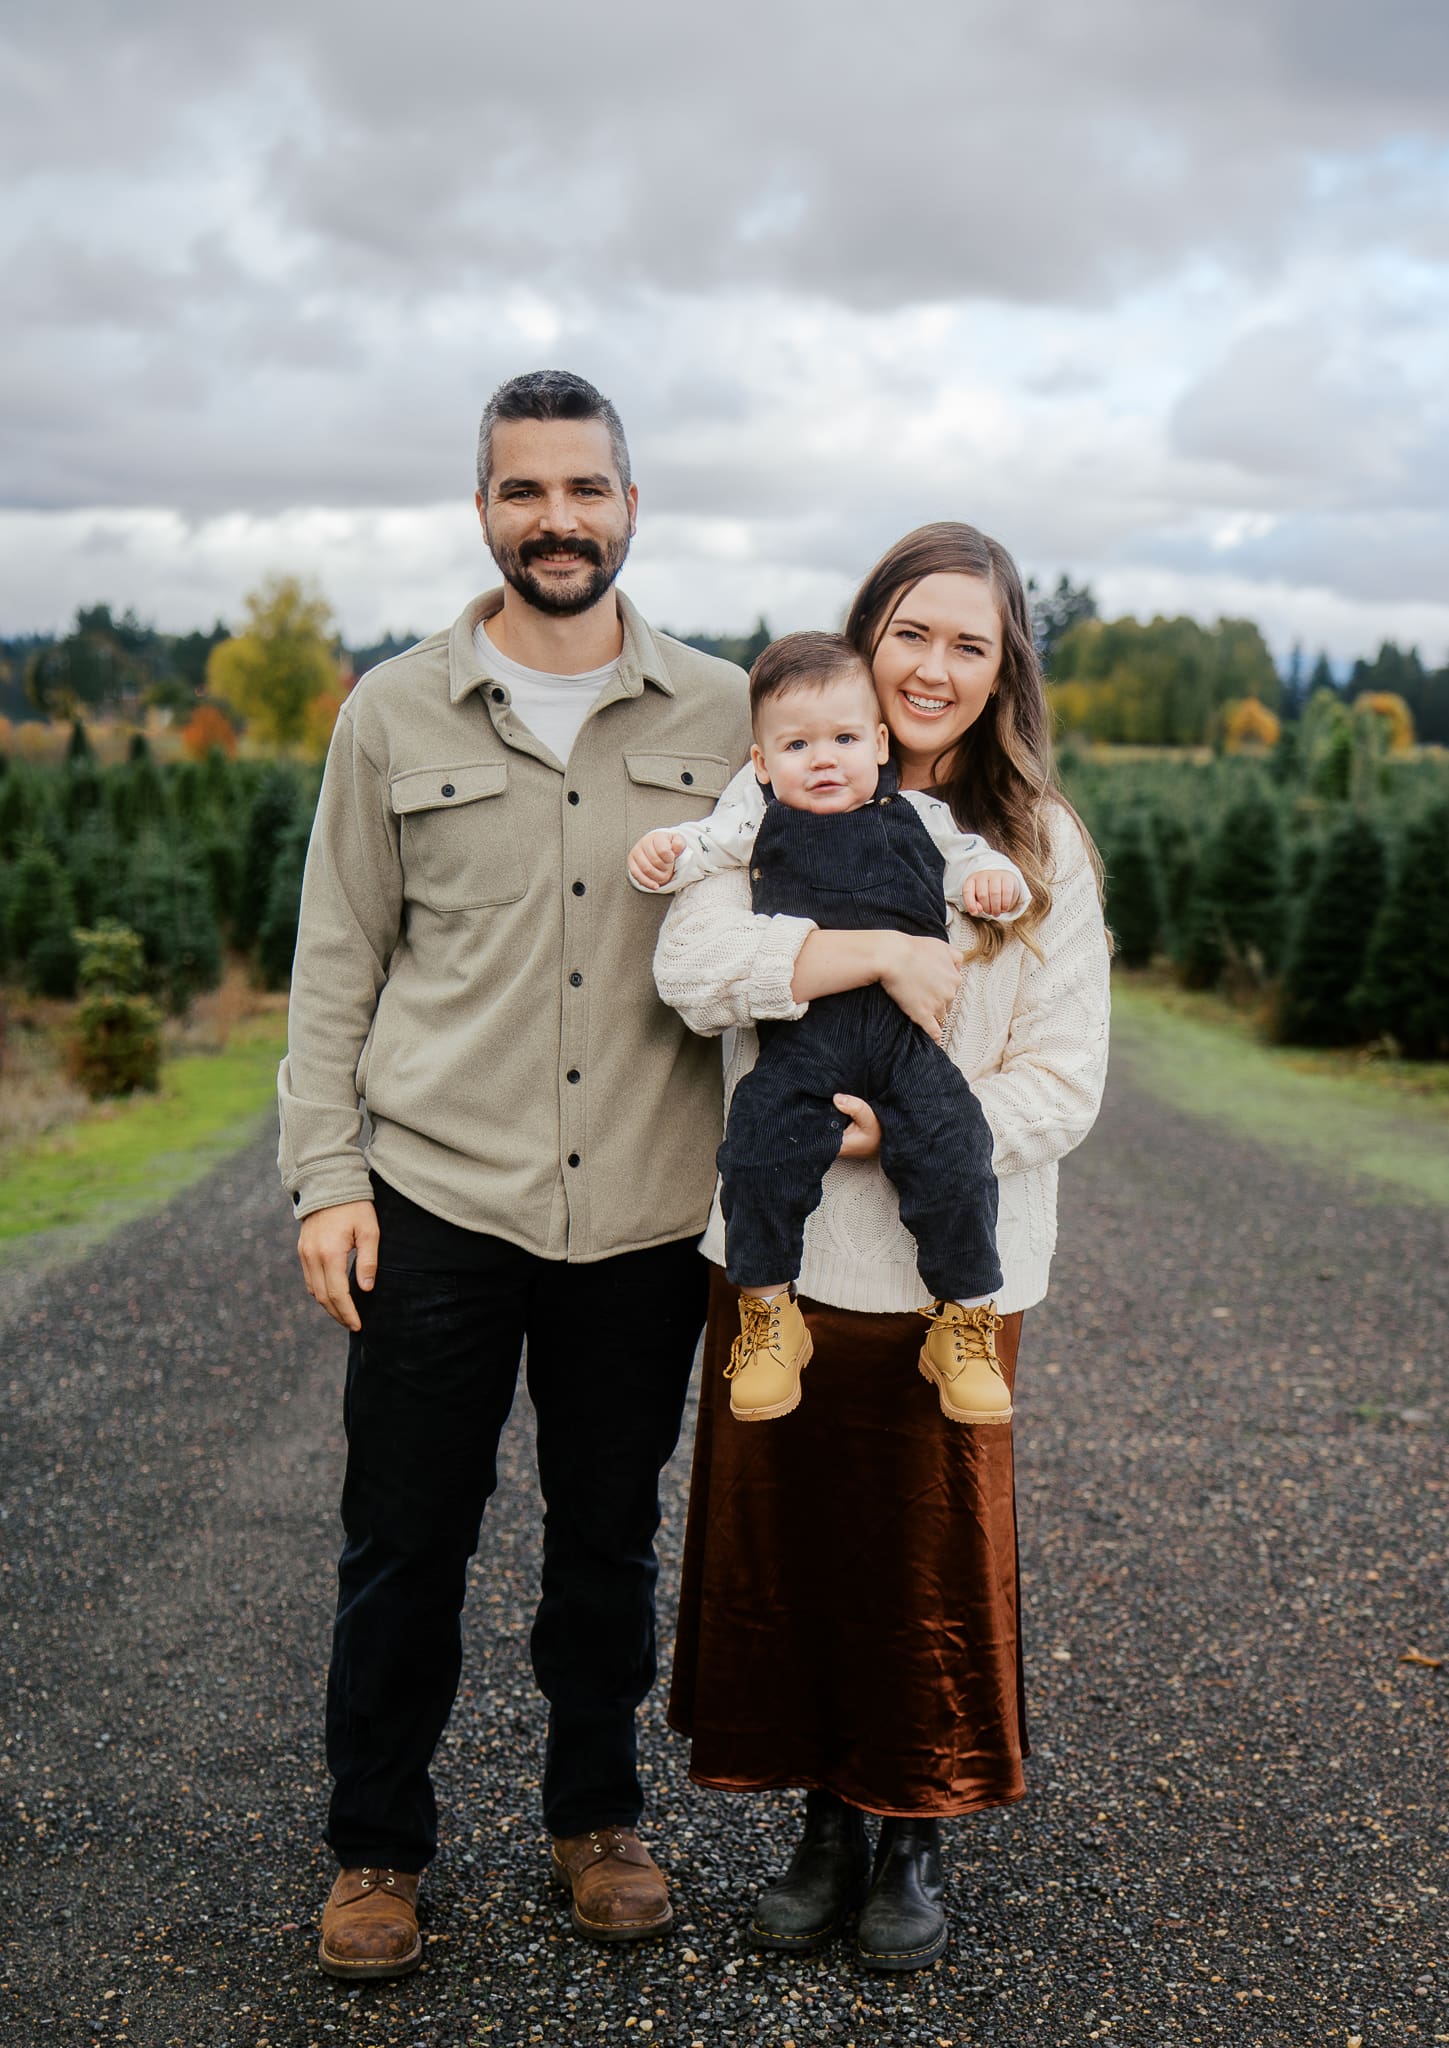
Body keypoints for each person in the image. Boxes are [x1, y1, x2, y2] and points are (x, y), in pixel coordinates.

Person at [278, 370, 750, 1979]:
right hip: (439, 1199)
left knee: (608, 1533)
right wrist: (325, 1178)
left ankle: (595, 1818)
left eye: (584, 489)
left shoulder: (728, 713)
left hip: (642, 1206)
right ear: (481, 507)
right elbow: (334, 963)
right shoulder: (390, 712)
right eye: (523, 490)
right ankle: (374, 1850)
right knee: (403, 1539)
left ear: (632, 503)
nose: (556, 518)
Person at [655, 522, 1111, 1972]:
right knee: (787, 1550)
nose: (930, 667)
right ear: (865, 641)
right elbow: (691, 967)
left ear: (1000, 670)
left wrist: (905, 1127)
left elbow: (1063, 1081)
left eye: (964, 644)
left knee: (921, 1564)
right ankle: (818, 1824)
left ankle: (909, 1828)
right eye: (908, 633)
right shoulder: (777, 784)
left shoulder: (1034, 848)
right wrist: (872, 956)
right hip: (782, 1269)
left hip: (939, 1280)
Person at [628, 629, 1029, 1425]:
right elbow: (694, 853)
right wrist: (661, 848)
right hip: (803, 1042)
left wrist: (994, 883)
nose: (823, 759)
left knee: (955, 1146)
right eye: (796, 744)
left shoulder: (919, 816)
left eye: (844, 739)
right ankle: (770, 1315)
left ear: (878, 744)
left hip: (904, 1042)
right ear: (760, 761)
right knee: (755, 1148)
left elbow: (989, 867)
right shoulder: (757, 826)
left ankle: (962, 1318)